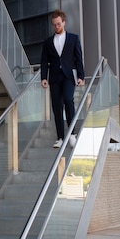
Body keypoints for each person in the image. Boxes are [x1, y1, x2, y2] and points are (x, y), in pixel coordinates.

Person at [40, 9, 85, 148]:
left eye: (59, 24)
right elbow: (44, 61)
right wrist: (43, 77)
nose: (56, 27)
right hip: (54, 78)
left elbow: (78, 58)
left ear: (64, 22)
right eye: (54, 24)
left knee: (68, 99)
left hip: (68, 76)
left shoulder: (73, 38)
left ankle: (72, 134)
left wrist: (81, 76)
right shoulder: (48, 42)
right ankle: (60, 137)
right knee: (56, 107)